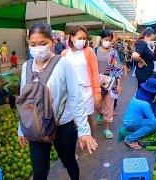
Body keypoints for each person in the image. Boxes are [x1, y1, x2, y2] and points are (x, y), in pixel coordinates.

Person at [17, 22, 97, 180]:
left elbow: (76, 99)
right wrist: (22, 128)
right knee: (39, 172)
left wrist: (84, 130)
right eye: (33, 44)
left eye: (42, 43)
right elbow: (24, 99)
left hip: (62, 126)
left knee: (69, 162)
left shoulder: (63, 64)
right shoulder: (26, 67)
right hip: (36, 126)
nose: (37, 48)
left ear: (52, 42)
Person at [61, 26, 101, 138]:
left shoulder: (89, 51)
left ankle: (91, 138)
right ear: (72, 38)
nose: (82, 41)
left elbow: (95, 73)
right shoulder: (64, 53)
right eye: (80, 38)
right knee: (71, 121)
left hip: (86, 90)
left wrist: (97, 93)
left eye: (85, 38)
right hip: (70, 92)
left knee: (88, 117)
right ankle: (73, 146)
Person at [123, 78, 156, 149]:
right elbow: (153, 121)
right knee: (154, 125)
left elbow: (152, 105)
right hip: (131, 123)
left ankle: (142, 128)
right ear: (151, 92)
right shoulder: (144, 103)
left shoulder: (139, 93)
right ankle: (129, 139)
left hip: (132, 119)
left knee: (155, 108)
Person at [95, 29, 123, 139]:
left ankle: (107, 128)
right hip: (97, 81)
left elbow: (117, 69)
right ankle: (100, 113)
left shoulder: (113, 52)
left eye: (110, 40)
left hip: (110, 81)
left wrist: (119, 84)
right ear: (101, 39)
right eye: (106, 39)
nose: (108, 42)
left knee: (109, 105)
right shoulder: (95, 50)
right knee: (96, 104)